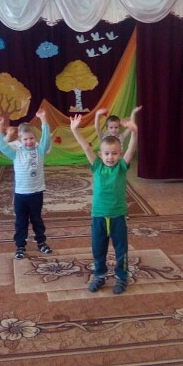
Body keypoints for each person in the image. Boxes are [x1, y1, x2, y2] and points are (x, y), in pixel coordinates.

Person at [70, 113, 138, 294]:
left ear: (120, 154)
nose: (110, 157)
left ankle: (122, 277)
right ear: (101, 155)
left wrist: (134, 133)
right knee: (98, 248)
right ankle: (99, 275)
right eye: (107, 154)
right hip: (99, 215)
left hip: (118, 215)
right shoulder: (97, 165)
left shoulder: (121, 167)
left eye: (114, 154)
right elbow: (86, 148)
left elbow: (131, 150)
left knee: (121, 249)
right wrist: (75, 130)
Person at [0, 109, 53, 259]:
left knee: (37, 219)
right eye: (25, 139)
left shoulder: (40, 150)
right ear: (20, 140)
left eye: (31, 138)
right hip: (21, 194)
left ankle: (41, 242)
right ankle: (20, 246)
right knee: (21, 221)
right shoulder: (16, 152)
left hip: (36, 192)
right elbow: (1, 145)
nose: (29, 142)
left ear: (35, 138)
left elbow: (46, 139)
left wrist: (43, 119)